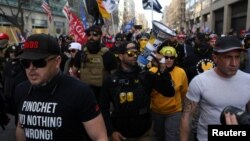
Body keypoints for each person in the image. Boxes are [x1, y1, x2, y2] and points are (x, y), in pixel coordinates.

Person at [15, 33, 108, 141]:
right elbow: (21, 128)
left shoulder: (79, 92)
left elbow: (100, 137)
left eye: (38, 62)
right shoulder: (21, 90)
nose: (31, 68)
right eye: (25, 63)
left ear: (57, 61)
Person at [100, 41, 175, 141]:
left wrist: (162, 69)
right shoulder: (110, 80)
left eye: (137, 53)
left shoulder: (146, 76)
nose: (135, 56)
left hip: (144, 133)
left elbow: (169, 92)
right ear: (121, 56)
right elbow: (103, 108)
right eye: (130, 53)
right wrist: (111, 131)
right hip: (120, 134)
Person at [180, 36, 250, 141]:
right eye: (228, 57)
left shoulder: (248, 80)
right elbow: (187, 117)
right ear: (215, 58)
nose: (234, 63)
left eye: (237, 57)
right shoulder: (199, 81)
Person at [151, 46, 188, 141]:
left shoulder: (181, 72)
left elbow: (184, 92)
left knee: (171, 137)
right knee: (158, 137)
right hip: (156, 111)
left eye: (171, 57)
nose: (168, 60)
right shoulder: (152, 72)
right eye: (166, 57)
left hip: (174, 112)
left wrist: (185, 111)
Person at [80, 25, 117, 103]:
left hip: (102, 97)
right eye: (89, 35)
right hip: (85, 95)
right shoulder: (81, 54)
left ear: (100, 36)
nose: (91, 37)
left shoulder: (108, 55)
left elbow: (114, 77)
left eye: (95, 34)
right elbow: (73, 72)